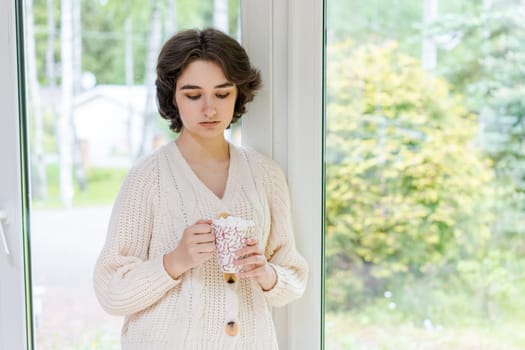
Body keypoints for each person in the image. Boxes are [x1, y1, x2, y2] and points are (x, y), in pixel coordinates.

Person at [93, 28, 308, 350]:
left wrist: (266, 274)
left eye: (222, 94)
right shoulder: (147, 177)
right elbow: (111, 291)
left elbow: (293, 276)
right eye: (193, 95)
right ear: (172, 97)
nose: (209, 109)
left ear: (239, 94)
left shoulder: (265, 174)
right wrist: (175, 261)